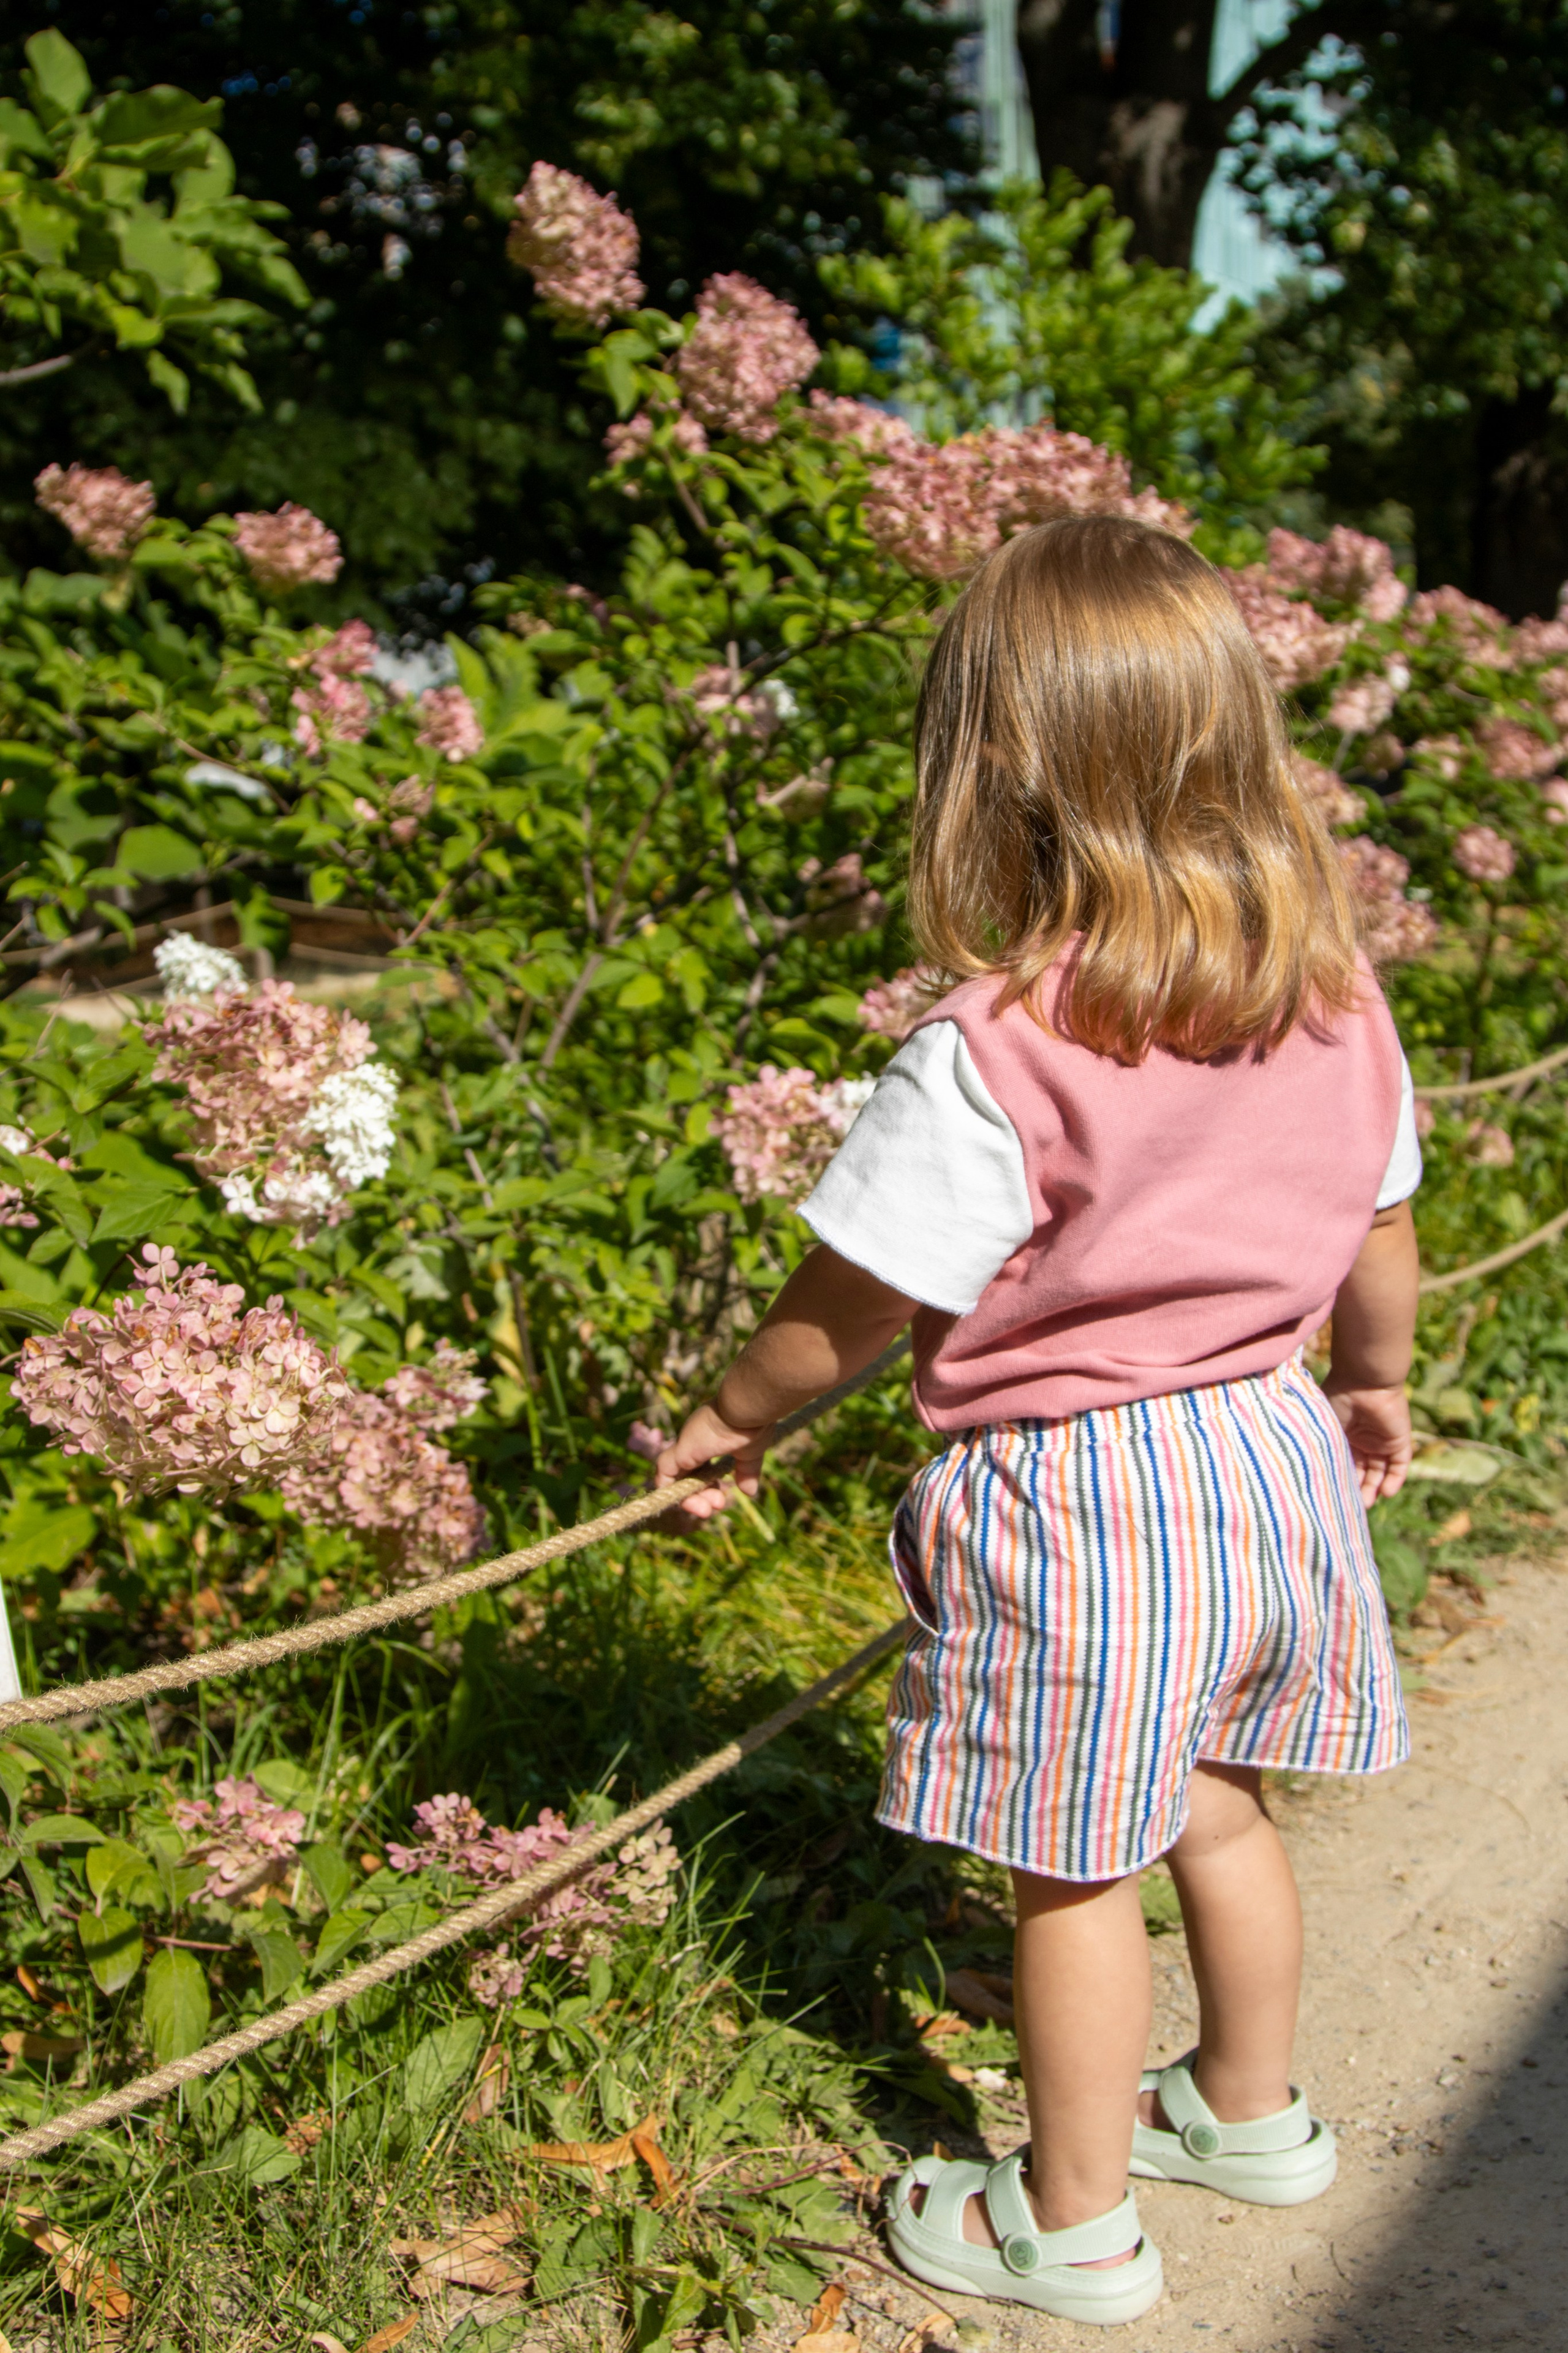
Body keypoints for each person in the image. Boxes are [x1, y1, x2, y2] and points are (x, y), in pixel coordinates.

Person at [654, 513, 1420, 2327]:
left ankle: (1068, 2224)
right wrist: (1376, 1379)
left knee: (1074, 1867)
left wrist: (730, 1418)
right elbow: (1382, 1227)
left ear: (994, 769)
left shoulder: (996, 1046)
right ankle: (1248, 2110)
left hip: (1089, 1491)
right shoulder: (1331, 998)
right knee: (1217, 1799)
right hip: (1271, 1446)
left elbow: (856, 1300)